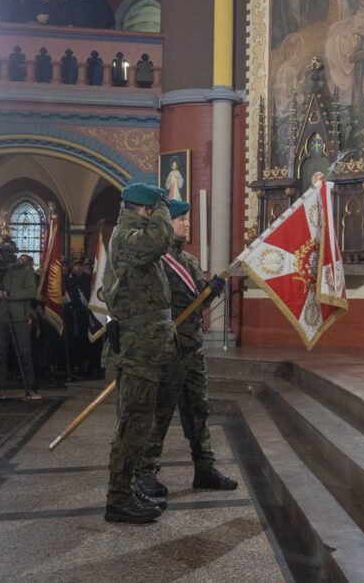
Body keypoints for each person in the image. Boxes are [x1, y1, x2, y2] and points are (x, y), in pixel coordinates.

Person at [137, 199, 237, 500]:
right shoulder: (155, 262)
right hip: (169, 350)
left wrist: (212, 290)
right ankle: (145, 472)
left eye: (186, 219)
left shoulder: (190, 262)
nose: (187, 223)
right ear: (166, 224)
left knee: (198, 410)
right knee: (160, 412)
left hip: (193, 349)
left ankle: (204, 468)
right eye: (181, 219)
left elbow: (196, 303)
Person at [101, 182, 176, 524]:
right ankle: (118, 498)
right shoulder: (126, 236)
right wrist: (163, 205)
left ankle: (128, 487)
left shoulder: (130, 237)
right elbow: (157, 241)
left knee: (139, 421)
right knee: (133, 423)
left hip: (147, 346)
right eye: (155, 210)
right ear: (145, 209)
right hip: (137, 349)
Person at [0, 238, 41, 400]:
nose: (6, 258)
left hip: (19, 317)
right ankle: (0, 388)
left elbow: (31, 292)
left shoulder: (25, 270)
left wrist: (8, 295)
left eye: (8, 254)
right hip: (0, 316)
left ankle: (30, 388)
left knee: (24, 353)